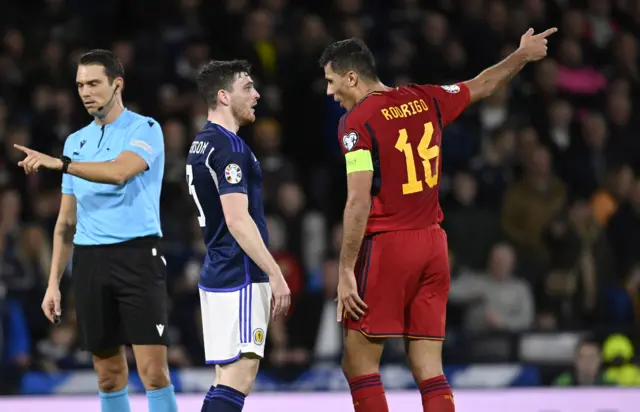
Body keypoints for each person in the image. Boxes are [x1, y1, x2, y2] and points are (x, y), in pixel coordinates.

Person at [319, 28, 557, 412]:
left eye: (331, 82)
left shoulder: (356, 123)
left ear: (351, 77)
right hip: (432, 246)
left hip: (388, 246)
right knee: (429, 368)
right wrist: (522, 56)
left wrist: (346, 269)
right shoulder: (425, 98)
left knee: (358, 363)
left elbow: (358, 202)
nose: (330, 93)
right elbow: (484, 84)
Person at [14, 49, 177, 412]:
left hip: (138, 257)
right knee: (107, 374)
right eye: (79, 85)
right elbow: (66, 222)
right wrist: (54, 282)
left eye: (93, 83)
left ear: (117, 84)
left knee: (153, 372)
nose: (85, 92)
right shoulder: (75, 141)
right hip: (90, 261)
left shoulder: (145, 128)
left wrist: (61, 164)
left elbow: (120, 171)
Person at [186, 60, 291, 412]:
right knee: (240, 377)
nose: (257, 95)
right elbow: (237, 220)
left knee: (225, 377)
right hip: (240, 271)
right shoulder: (229, 147)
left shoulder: (201, 143)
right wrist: (276, 274)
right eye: (247, 87)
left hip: (217, 267)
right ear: (224, 96)